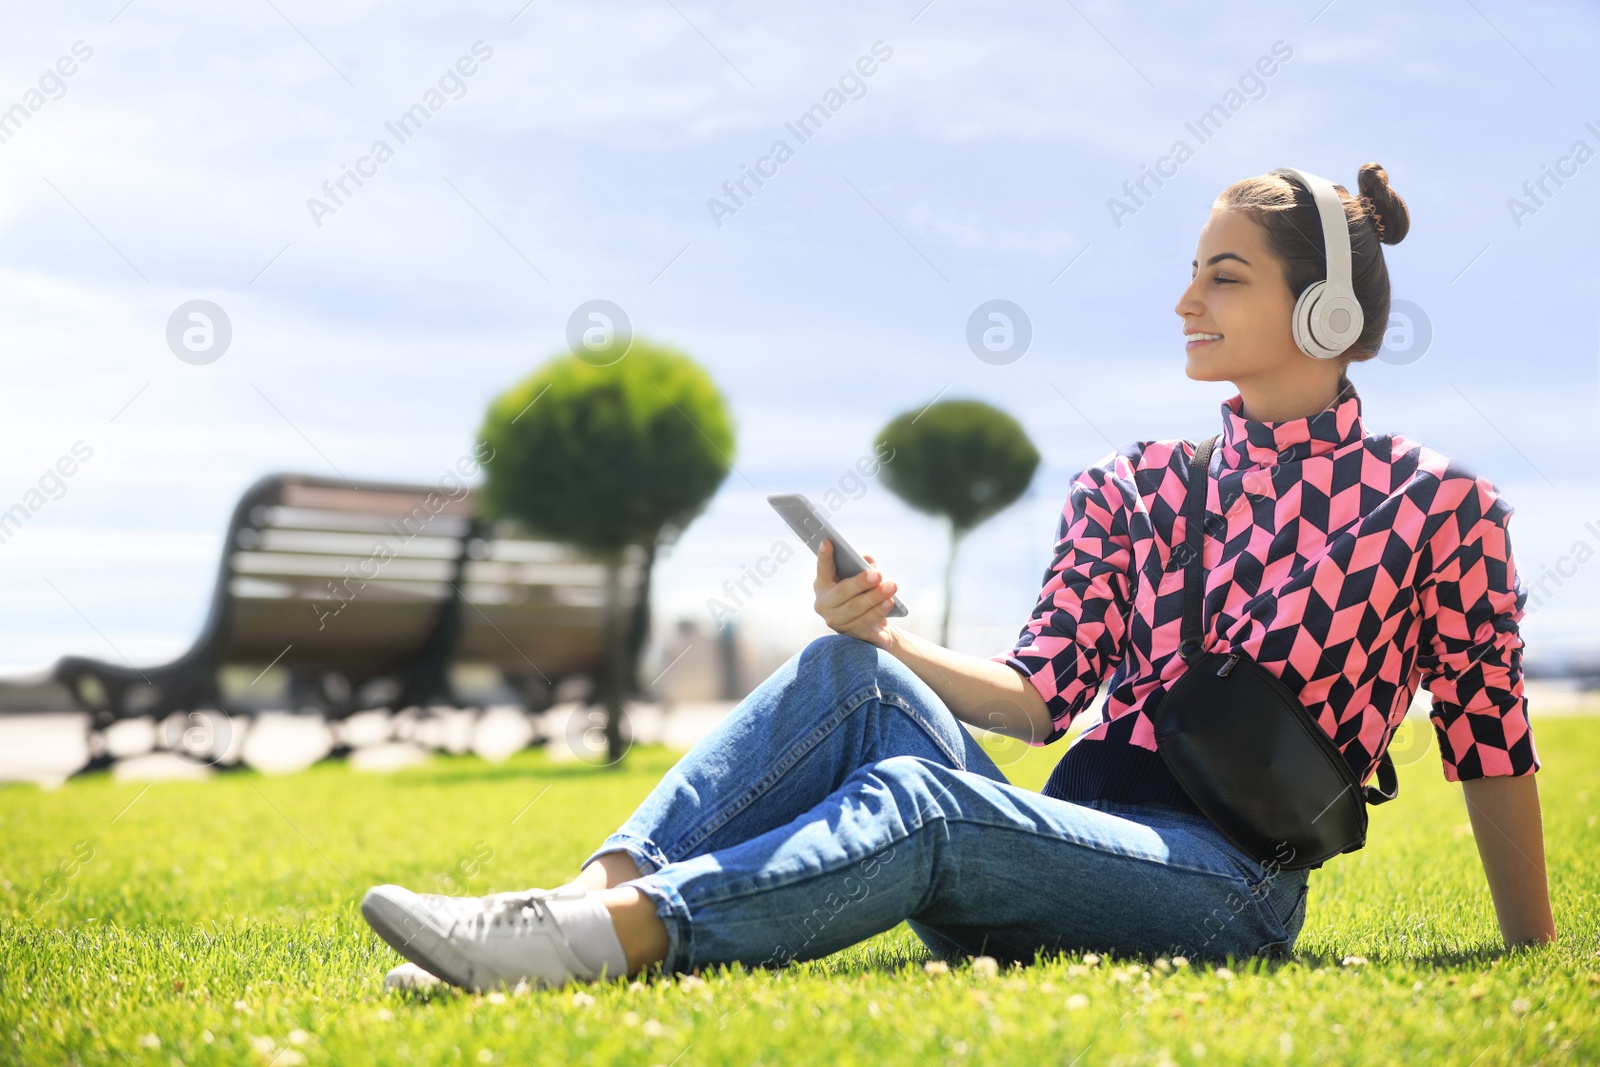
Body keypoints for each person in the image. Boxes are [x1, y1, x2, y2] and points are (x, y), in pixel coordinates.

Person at [361, 163, 1556, 994]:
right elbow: (1038, 695)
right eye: (1193, 270)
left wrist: (1526, 949)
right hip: (1065, 831)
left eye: (1224, 276)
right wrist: (885, 639)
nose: (1183, 300)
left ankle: (609, 937)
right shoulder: (1132, 482)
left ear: (1327, 306)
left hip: (1225, 887)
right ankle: (572, 905)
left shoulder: (1437, 506)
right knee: (844, 676)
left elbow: (1486, 735)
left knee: (927, 802)